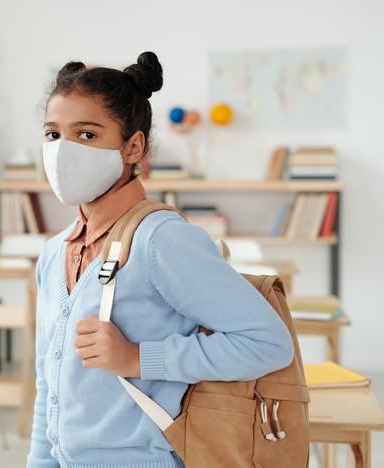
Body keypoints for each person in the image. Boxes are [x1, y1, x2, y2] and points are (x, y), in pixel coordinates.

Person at [26, 51, 294, 468]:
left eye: (87, 135)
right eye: (52, 134)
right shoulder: (53, 252)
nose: (63, 151)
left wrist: (136, 357)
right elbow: (48, 383)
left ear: (134, 146)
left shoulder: (162, 241)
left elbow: (268, 344)